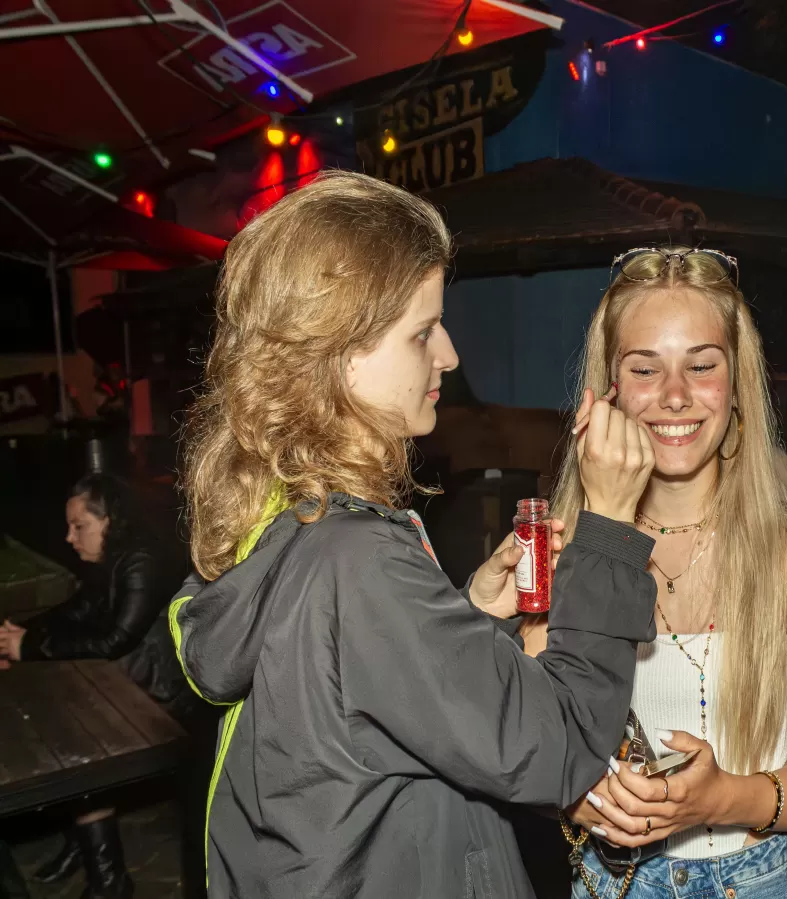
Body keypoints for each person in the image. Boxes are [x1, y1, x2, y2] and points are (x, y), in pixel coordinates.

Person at [169, 171, 660, 899]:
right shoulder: (357, 559)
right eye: (422, 331)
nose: (449, 354)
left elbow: (359, 698)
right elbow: (563, 746)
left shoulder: (290, 522)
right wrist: (611, 527)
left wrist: (472, 611)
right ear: (338, 354)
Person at [525, 247, 787, 898]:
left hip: (755, 879)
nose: (676, 395)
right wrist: (582, 799)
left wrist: (724, 799)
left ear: (737, 381)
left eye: (702, 364)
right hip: (612, 883)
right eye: (645, 367)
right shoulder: (560, 554)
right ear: (607, 390)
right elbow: (531, 755)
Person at [0, 473, 173, 899]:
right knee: (59, 720)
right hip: (129, 678)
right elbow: (76, 610)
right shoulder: (111, 557)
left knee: (75, 740)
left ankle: (108, 877)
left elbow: (116, 638)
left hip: (164, 696)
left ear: (110, 521)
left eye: (80, 527)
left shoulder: (142, 560)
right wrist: (20, 634)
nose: (68, 537)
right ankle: (87, 845)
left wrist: (30, 648)